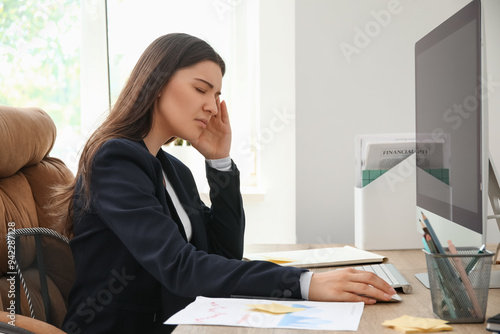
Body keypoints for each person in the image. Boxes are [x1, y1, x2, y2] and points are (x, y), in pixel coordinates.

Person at [58, 33, 396, 334]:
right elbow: (179, 266)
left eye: (217, 93)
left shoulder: (173, 169)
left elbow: (224, 253)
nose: (212, 105)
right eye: (201, 89)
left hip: (183, 320)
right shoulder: (115, 160)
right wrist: (305, 283)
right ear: (157, 83)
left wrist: (219, 162)